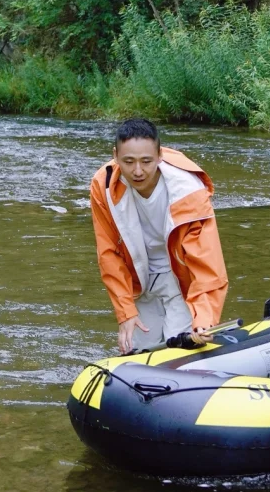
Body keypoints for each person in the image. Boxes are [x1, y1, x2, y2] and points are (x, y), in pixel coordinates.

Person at [90, 117, 229, 354]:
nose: (137, 171)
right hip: (139, 280)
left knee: (179, 350)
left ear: (160, 155)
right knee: (135, 351)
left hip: (179, 278)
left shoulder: (189, 192)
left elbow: (207, 265)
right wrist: (125, 312)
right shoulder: (103, 186)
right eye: (128, 161)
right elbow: (109, 254)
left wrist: (203, 319)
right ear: (115, 156)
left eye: (146, 161)